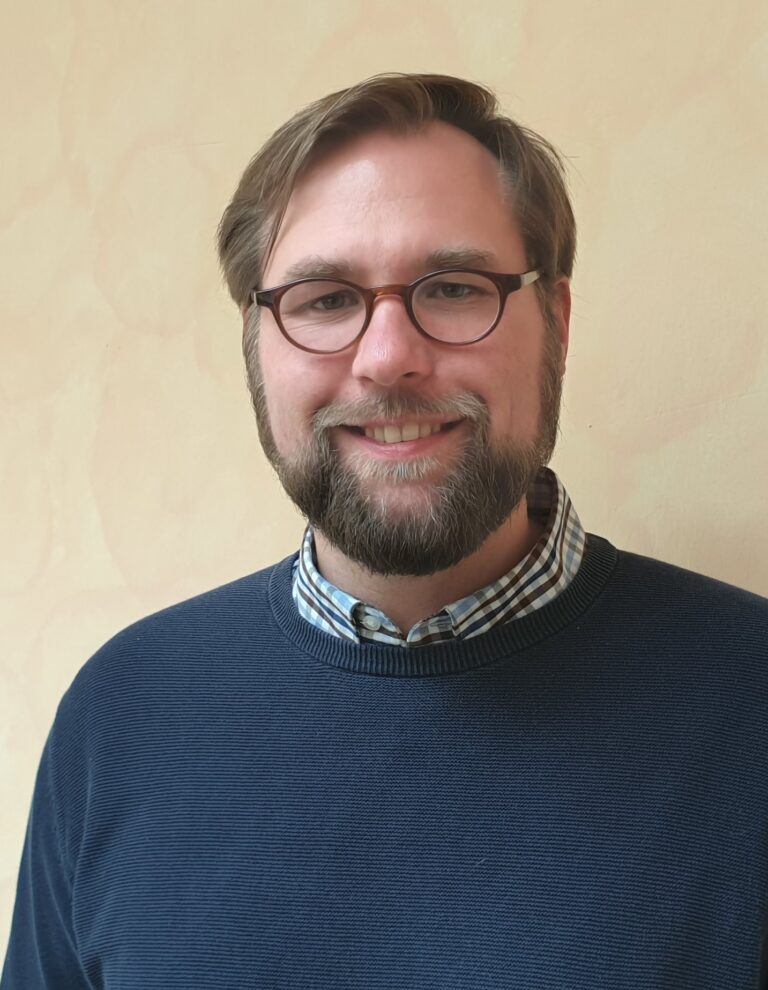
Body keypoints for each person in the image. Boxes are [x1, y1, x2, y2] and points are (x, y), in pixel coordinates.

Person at [3, 73, 767, 990]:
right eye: (324, 299)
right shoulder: (120, 714)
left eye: (453, 288)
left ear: (557, 326)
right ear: (255, 347)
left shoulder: (751, 699)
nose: (388, 356)